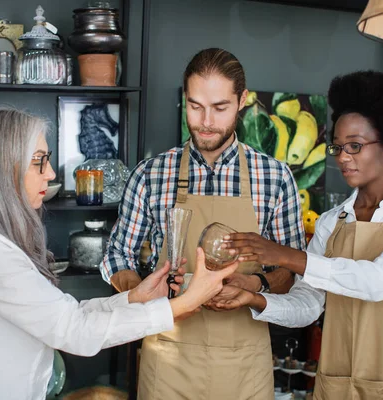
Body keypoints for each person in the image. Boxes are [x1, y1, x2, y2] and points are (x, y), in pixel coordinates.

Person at [0, 106, 237, 400]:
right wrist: (184, 304)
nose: (50, 174)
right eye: (39, 162)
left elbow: (63, 315)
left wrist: (132, 298)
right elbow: (73, 330)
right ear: (1, 170)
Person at [214, 70, 383, 399]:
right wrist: (254, 298)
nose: (344, 158)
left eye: (355, 146)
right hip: (339, 384)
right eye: (338, 148)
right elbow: (308, 304)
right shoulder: (329, 222)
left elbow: (379, 282)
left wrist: (283, 255)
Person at [100, 48, 309, 399]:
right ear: (186, 98)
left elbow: (292, 271)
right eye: (195, 106)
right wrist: (144, 296)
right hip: (169, 359)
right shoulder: (152, 174)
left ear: (242, 100)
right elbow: (117, 257)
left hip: (245, 365)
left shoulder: (274, 178)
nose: (206, 121)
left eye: (219, 107)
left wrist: (253, 284)